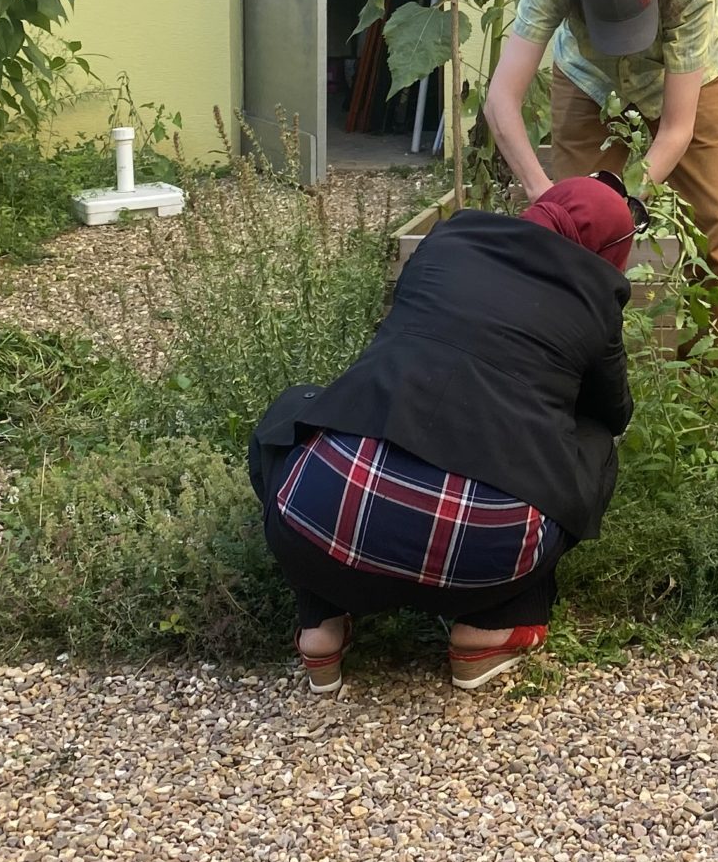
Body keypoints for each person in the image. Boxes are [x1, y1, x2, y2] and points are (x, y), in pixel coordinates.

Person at [248, 175, 637, 694]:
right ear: (612, 252)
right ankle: (490, 626)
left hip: (318, 532)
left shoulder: (451, 238)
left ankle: (320, 617)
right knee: (593, 443)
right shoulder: (594, 296)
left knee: (293, 405)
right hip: (482, 565)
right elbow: (612, 413)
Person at [487, 0, 718, 305]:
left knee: (714, 227)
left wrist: (627, 202)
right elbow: (501, 100)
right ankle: (585, 360)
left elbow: (677, 128)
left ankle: (703, 365)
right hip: (588, 76)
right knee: (576, 234)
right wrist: (544, 195)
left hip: (693, 78)